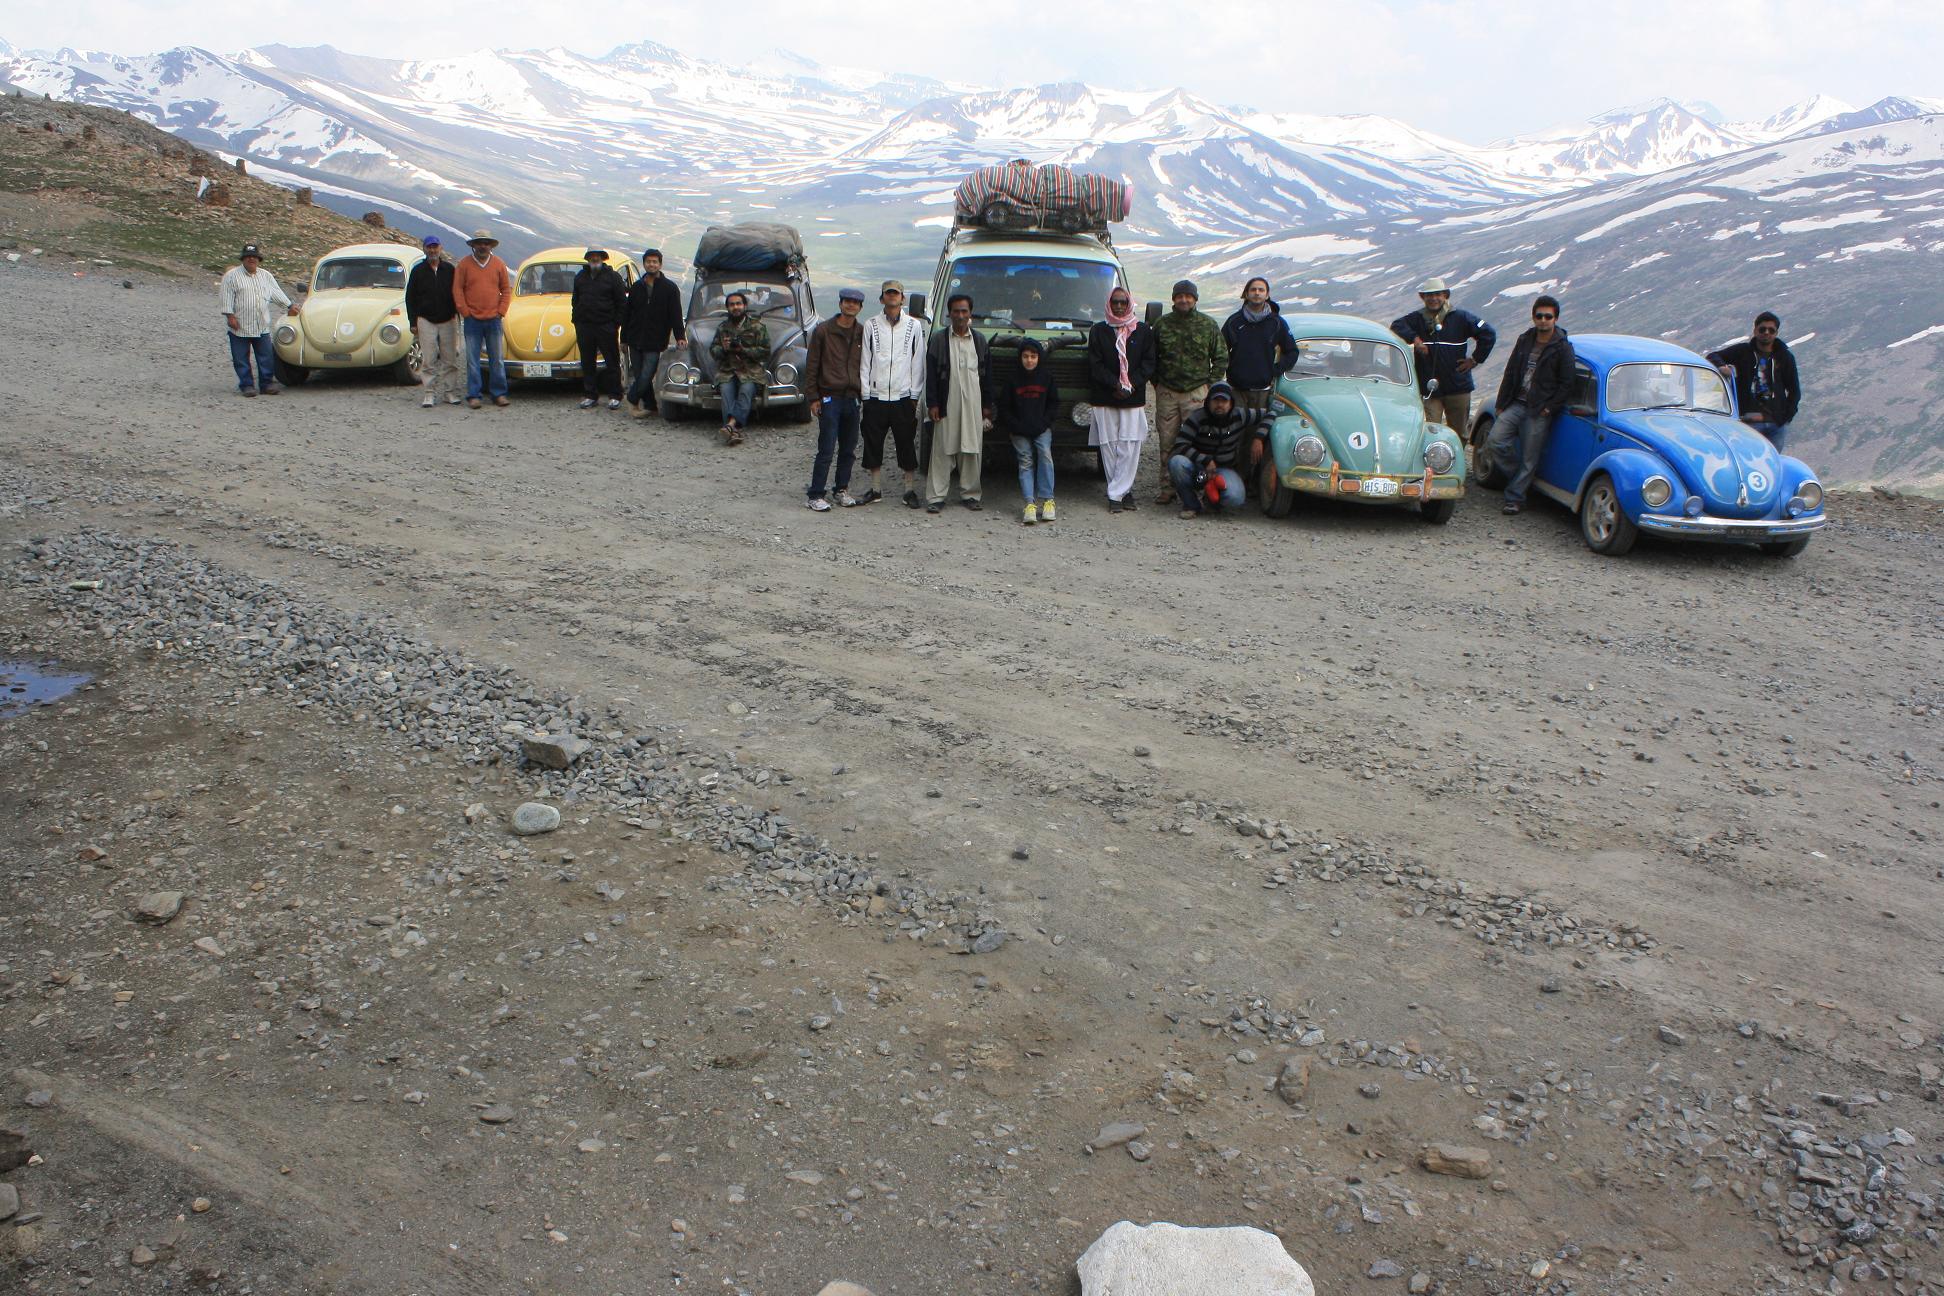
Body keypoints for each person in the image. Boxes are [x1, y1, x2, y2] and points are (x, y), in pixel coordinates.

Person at [1485, 296, 1574, 515]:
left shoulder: (1563, 348)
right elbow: (1510, 371)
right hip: (1516, 403)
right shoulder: (1525, 339)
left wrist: (1549, 408)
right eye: (1539, 316)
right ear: (1533, 317)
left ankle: (1515, 498)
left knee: (1530, 456)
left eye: (1548, 316)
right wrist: (1501, 402)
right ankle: (1520, 479)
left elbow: (1567, 383)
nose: (1543, 320)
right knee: (1495, 441)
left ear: (1555, 318)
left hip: (1539, 410)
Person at [1152, 279, 1227, 504]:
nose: (1184, 300)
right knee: (1167, 441)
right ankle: (1167, 487)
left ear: (1195, 299)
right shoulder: (1162, 324)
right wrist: (1156, 383)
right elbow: (1150, 357)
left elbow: (1221, 357)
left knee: (1198, 442)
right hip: (1167, 392)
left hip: (1196, 392)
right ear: (1173, 299)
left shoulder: (1208, 325)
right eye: (1179, 296)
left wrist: (1210, 385)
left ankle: (1200, 487)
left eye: (1188, 296)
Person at [1391, 277, 1495, 439]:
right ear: (1423, 297)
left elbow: (1488, 333)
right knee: (1430, 432)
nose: (1434, 298)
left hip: (1458, 387)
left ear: (1445, 296)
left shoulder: (1461, 317)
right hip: (1430, 389)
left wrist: (1475, 359)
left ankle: (1456, 456)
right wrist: (1415, 338)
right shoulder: (1417, 318)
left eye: (1438, 294)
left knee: (1459, 433)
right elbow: (1396, 325)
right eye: (1429, 295)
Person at [923, 293, 993, 514]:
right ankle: (936, 497)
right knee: (942, 450)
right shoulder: (939, 340)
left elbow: (986, 376)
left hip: (973, 404)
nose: (960, 316)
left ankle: (970, 495)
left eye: (964, 311)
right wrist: (932, 403)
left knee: (972, 451)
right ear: (949, 313)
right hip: (947, 403)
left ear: (970, 313)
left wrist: (987, 406)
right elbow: (931, 375)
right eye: (956, 311)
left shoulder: (979, 341)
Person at [1088, 287, 1157, 513]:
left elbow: (1149, 363)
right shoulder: (1098, 330)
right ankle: (1120, 494)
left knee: (1129, 446)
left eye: (1123, 302)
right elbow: (1095, 364)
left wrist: (1130, 385)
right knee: (1109, 446)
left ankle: (1118, 492)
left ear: (1129, 304)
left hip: (1132, 397)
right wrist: (1115, 385)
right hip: (1105, 396)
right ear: (1109, 304)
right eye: (1115, 302)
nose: (1119, 306)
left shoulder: (1143, 331)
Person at [860, 280, 926, 507]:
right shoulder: (871, 325)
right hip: (876, 395)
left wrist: (915, 394)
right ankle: (875, 489)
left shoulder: (913, 326)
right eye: (888, 293)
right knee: (873, 442)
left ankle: (909, 490)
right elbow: (865, 360)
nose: (892, 297)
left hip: (903, 396)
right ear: (882, 298)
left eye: (895, 293)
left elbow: (918, 361)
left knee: (906, 441)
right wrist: (865, 394)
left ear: (902, 298)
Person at [803, 287, 867, 511]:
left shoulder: (862, 332)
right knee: (827, 448)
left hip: (852, 398)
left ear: (860, 307)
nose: (850, 305)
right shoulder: (823, 331)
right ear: (840, 304)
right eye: (847, 301)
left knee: (848, 449)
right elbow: (812, 365)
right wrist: (813, 397)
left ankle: (841, 490)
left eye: (855, 302)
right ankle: (815, 494)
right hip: (829, 397)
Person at [1167, 382, 1263, 519]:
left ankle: (1212, 502)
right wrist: (1205, 460)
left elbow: (1271, 414)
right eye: (1216, 400)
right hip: (1199, 467)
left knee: (1236, 498)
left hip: (1224, 469)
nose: (1219, 405)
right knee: (1176, 463)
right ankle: (1191, 505)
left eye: (1224, 401)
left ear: (1231, 403)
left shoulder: (1240, 415)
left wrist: (1259, 438)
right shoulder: (1197, 417)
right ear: (1208, 401)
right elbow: (1181, 444)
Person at [1707, 312, 1801, 452]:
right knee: (1748, 459)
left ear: (1776, 333)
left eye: (1771, 330)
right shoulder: (1742, 352)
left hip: (1775, 425)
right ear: (1755, 330)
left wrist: (1786, 417)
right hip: (1747, 423)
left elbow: (1794, 390)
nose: (1766, 333)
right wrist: (1721, 366)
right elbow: (1713, 356)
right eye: (1762, 329)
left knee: (1772, 461)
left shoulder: (1785, 357)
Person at [998, 338, 1059, 525]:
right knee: (1025, 460)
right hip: (1019, 429)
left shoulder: (1047, 378)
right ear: (1020, 357)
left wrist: (1044, 423)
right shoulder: (1012, 380)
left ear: (1039, 358)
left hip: (1041, 428)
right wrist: (1015, 426)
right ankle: (1029, 504)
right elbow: (1004, 407)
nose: (1029, 360)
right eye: (1025, 356)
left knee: (1045, 455)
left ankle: (1048, 500)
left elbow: (1053, 404)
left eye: (1033, 356)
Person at [219, 243, 292, 397]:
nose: (251, 259)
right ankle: (246, 385)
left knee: (266, 356)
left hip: (261, 324)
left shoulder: (266, 276)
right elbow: (226, 296)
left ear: (259, 259)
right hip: (240, 325)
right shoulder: (231, 276)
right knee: (241, 358)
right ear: (243, 259)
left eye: (254, 257)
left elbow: (276, 292)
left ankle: (267, 384)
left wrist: (289, 306)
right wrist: (230, 316)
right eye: (248, 256)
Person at [1221, 277, 1296, 417]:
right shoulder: (1234, 321)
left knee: (1259, 428)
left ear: (1267, 295)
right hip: (1236, 390)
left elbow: (1292, 351)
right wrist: (1231, 370)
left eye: (1261, 290)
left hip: (1263, 391)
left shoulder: (1276, 323)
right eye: (1253, 290)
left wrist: (1274, 370)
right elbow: (1220, 351)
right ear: (1246, 294)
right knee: (1235, 427)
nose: (1257, 293)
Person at [621, 247, 683, 417]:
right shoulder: (636, 287)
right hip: (634, 338)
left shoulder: (670, 288)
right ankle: (650, 406)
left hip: (655, 339)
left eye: (655, 262)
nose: (652, 264)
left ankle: (632, 398)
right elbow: (627, 315)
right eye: (648, 262)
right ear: (644, 264)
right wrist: (623, 339)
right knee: (640, 374)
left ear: (660, 265)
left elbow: (675, 315)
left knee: (647, 374)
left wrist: (680, 336)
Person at [454, 229, 512, 409]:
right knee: (472, 360)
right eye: (479, 243)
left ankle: (499, 394)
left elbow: (506, 289)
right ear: (473, 245)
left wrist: (501, 311)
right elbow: (457, 290)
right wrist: (465, 312)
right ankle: (474, 395)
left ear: (490, 246)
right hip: (472, 320)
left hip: (494, 319)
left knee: (497, 359)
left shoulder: (499, 264)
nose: (482, 246)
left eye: (486, 243)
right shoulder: (464, 265)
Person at [405, 235, 461, 408]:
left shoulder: (449, 269)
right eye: (429, 247)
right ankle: (429, 393)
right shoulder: (417, 271)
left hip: (448, 319)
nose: (432, 250)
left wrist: (458, 313)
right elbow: (410, 297)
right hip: (426, 320)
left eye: (435, 246)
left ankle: (449, 392)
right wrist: (412, 322)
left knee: (450, 359)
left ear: (440, 248)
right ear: (424, 249)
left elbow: (457, 293)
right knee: (428, 359)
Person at [570, 249, 628, 410]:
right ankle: (590, 395)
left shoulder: (613, 277)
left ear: (603, 259)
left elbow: (621, 303)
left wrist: (615, 324)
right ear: (588, 259)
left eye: (597, 256)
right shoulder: (580, 277)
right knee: (587, 362)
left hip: (606, 326)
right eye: (591, 256)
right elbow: (575, 300)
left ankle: (615, 395)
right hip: (585, 326)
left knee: (612, 361)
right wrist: (577, 320)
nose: (594, 259)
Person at [710, 291, 769, 446]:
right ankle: (734, 431)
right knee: (725, 391)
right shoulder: (722, 328)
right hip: (727, 371)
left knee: (746, 390)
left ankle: (730, 425)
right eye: (732, 305)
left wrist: (743, 350)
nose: (735, 307)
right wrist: (724, 349)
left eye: (738, 304)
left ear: (745, 306)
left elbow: (765, 351)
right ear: (727, 308)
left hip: (750, 371)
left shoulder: (757, 327)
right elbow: (713, 351)